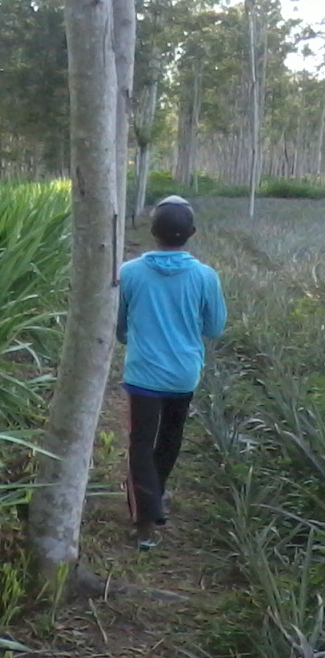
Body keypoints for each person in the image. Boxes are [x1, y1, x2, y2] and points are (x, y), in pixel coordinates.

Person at [116, 195, 226, 551]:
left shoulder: (129, 272)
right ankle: (155, 495)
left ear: (152, 232)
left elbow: (120, 329)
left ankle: (146, 522)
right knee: (170, 437)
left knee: (140, 443)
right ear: (191, 233)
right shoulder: (205, 276)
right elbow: (215, 326)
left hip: (144, 376)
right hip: (183, 374)